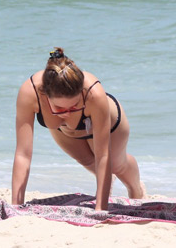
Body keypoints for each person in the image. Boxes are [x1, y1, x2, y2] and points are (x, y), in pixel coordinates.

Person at [11, 47, 144, 210]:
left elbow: (103, 155)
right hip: (64, 131)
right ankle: (107, 183)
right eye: (59, 109)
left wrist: (100, 209)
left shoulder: (94, 93)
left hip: (109, 123)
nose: (66, 113)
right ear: (45, 96)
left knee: (116, 164)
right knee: (88, 161)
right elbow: (23, 154)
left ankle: (136, 189)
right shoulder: (29, 93)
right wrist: (15, 207)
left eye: (74, 106)